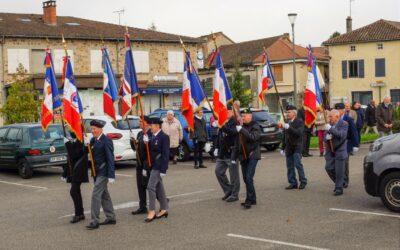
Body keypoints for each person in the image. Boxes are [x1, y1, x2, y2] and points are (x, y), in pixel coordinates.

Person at [86, 120, 116, 230]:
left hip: (103, 172)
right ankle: (111, 217)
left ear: (100, 129)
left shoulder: (106, 140)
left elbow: (110, 158)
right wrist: (85, 144)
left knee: (95, 194)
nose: (92, 131)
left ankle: (95, 220)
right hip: (96, 172)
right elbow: (87, 152)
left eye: (95, 129)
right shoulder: (93, 140)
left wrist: (111, 175)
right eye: (92, 128)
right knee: (104, 195)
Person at [144, 117, 170, 223]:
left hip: (158, 166)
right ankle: (164, 209)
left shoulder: (164, 137)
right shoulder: (151, 136)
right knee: (159, 187)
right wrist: (145, 142)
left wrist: (164, 169)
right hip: (152, 165)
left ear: (157, 126)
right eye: (149, 126)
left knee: (150, 187)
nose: (150, 128)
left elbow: (165, 154)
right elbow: (149, 152)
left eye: (152, 126)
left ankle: (151, 211)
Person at [61, 131, 89, 224]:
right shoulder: (74, 141)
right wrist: (64, 173)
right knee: (76, 192)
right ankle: (80, 214)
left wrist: (67, 143)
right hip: (73, 172)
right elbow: (69, 160)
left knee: (73, 191)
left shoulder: (81, 142)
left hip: (79, 171)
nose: (70, 132)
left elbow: (74, 155)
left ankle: (78, 214)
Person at [236, 108, 261, 209]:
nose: (242, 118)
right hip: (243, 155)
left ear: (250, 116)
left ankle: (249, 200)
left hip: (252, 155)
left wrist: (241, 130)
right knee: (246, 178)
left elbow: (253, 137)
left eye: (244, 116)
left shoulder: (255, 126)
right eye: (241, 116)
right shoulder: (241, 126)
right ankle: (253, 198)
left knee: (249, 177)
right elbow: (238, 142)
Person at [214, 108, 240, 203]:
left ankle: (234, 194)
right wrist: (216, 147)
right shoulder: (223, 121)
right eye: (226, 111)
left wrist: (222, 125)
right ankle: (228, 190)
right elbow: (220, 135)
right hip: (222, 152)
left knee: (234, 176)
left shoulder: (236, 122)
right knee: (218, 172)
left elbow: (232, 132)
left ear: (233, 112)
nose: (227, 113)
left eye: (229, 111)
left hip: (232, 152)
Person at [281, 105, 308, 190]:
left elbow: (298, 133)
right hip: (289, 147)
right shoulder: (287, 122)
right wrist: (282, 147)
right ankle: (292, 182)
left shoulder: (299, 121)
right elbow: (285, 136)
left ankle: (303, 181)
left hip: (297, 146)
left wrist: (289, 128)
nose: (287, 114)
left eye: (289, 112)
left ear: (294, 113)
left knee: (297, 164)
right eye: (286, 112)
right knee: (289, 166)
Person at [130, 116, 152, 215]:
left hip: (147, 164)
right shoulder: (139, 133)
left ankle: (162, 200)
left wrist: (148, 141)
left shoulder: (150, 133)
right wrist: (132, 140)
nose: (139, 123)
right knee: (140, 185)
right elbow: (135, 148)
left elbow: (151, 150)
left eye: (141, 121)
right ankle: (142, 206)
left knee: (150, 185)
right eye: (139, 121)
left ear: (146, 123)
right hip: (139, 163)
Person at [324, 109, 348, 196]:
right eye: (329, 116)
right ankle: (341, 182)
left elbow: (341, 135)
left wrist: (331, 130)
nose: (329, 118)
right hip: (330, 150)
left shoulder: (344, 124)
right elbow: (324, 137)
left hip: (340, 150)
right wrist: (326, 137)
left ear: (337, 117)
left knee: (339, 171)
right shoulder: (329, 124)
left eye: (331, 116)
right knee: (328, 168)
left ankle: (339, 188)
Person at [334, 103, 359, 188]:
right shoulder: (334, 119)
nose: (337, 111)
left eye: (339, 110)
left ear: (343, 110)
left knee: (345, 163)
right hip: (336, 145)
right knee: (336, 164)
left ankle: (345, 180)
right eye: (336, 110)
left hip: (346, 144)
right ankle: (339, 180)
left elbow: (354, 132)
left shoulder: (348, 119)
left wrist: (356, 144)